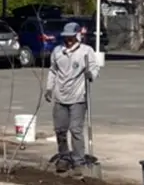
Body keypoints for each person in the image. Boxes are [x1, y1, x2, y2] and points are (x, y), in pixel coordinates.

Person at [44, 22, 102, 173]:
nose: (68, 40)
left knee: (75, 129)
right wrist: (49, 88)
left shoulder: (85, 51)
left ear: (77, 36)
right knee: (60, 130)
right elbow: (53, 71)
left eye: (71, 37)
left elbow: (94, 68)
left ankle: (78, 161)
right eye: (66, 37)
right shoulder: (57, 51)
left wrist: (91, 75)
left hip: (78, 97)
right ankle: (63, 158)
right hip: (60, 97)